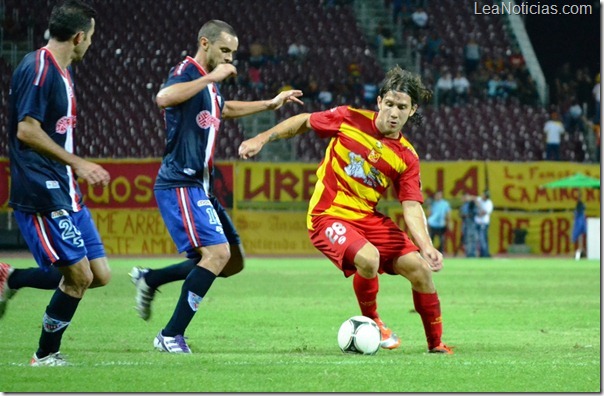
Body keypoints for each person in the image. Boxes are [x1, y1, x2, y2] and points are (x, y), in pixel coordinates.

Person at [239, 66, 453, 354]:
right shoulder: (348, 119)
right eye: (388, 104)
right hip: (328, 215)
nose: (393, 112)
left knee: (420, 269)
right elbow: (304, 121)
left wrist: (426, 246)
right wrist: (261, 138)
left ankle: (436, 344)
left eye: (401, 107)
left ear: (412, 110)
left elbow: (412, 206)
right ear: (379, 102)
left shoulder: (407, 157)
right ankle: (374, 322)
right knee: (369, 258)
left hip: (367, 218)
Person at [142, 19, 303, 353]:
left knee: (230, 261)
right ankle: (170, 335)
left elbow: (223, 108)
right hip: (180, 181)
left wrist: (270, 104)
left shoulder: (209, 85)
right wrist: (210, 77)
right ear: (205, 43)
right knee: (217, 254)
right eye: (225, 50)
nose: (230, 58)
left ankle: (151, 279)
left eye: (233, 52)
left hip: (201, 185)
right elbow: (163, 97)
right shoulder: (188, 71)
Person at [5, 0, 111, 366]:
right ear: (79, 36)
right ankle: (45, 355)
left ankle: (10, 277)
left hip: (66, 190)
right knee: (78, 275)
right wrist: (78, 162)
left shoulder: (62, 72)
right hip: (39, 190)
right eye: (91, 37)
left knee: (99, 275)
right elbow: (26, 130)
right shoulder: (39, 68)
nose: (91, 44)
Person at [457, 192, 477, 257]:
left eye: (466, 197)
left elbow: (474, 212)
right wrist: (463, 215)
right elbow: (460, 214)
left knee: (472, 238)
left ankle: (472, 253)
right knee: (466, 239)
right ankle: (468, 253)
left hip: (471, 223)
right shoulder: (463, 206)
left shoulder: (472, 204)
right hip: (465, 223)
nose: (464, 198)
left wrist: (466, 215)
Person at [474, 190, 493, 258]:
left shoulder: (489, 203)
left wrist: (479, 206)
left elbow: (483, 213)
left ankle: (485, 254)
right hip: (477, 223)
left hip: (484, 223)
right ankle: (480, 253)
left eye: (483, 195)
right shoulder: (479, 199)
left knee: (482, 239)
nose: (482, 196)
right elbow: (473, 198)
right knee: (476, 239)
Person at [572, 190, 587, 260]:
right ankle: (580, 250)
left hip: (580, 220)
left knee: (580, 235)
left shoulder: (580, 204)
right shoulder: (579, 204)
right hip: (579, 221)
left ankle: (581, 249)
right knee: (579, 235)